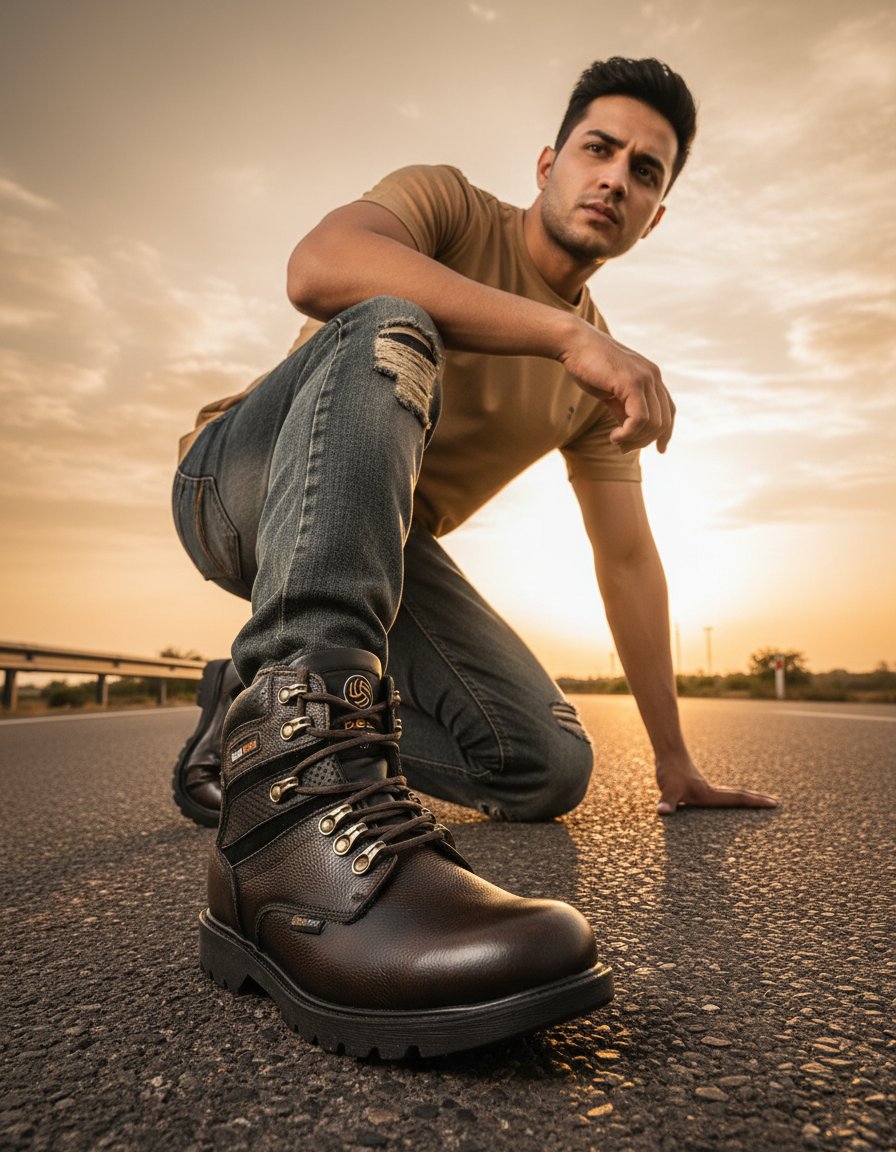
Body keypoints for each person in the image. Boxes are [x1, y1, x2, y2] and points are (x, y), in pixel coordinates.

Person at [171, 57, 776, 1058]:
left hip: (384, 550)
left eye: (644, 171)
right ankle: (291, 820)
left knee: (548, 766)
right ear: (547, 162)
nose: (614, 178)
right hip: (240, 484)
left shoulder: (594, 368)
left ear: (653, 216)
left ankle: (250, 720)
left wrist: (674, 762)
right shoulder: (448, 205)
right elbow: (317, 267)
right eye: (597, 149)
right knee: (387, 320)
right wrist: (558, 337)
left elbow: (626, 562)